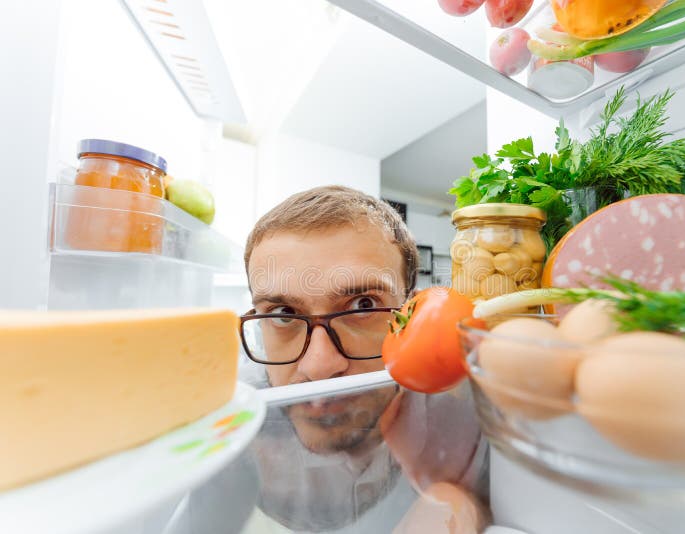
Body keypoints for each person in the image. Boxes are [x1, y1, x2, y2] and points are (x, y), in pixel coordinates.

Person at [167, 186, 487, 534]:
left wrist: (460, 507)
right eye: (283, 313)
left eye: (363, 306)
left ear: (413, 310)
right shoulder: (228, 425)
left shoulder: (463, 412)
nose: (319, 366)